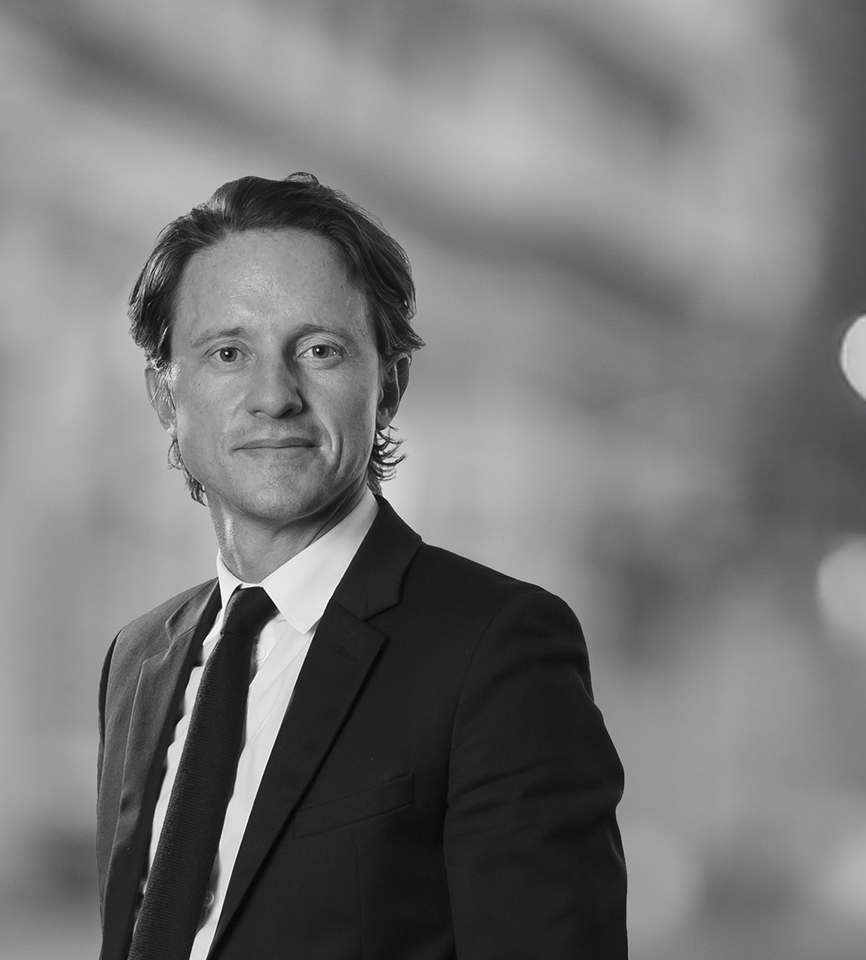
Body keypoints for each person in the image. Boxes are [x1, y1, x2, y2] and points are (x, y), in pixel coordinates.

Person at [95, 172, 626, 960]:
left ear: (389, 385)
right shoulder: (138, 662)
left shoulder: (495, 651)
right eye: (228, 353)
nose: (274, 395)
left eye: (319, 350)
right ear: (166, 399)